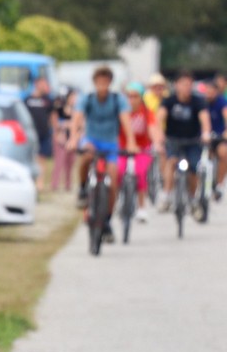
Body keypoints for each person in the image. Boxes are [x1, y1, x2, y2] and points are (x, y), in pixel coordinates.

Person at [68, 66, 137, 242]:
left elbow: (125, 120)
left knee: (113, 183)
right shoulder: (87, 98)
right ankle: (83, 188)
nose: (102, 84)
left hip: (110, 143)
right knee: (86, 156)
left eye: (105, 81)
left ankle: (106, 220)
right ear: (94, 82)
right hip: (91, 139)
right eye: (99, 81)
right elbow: (77, 118)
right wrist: (74, 138)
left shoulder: (117, 100)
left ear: (110, 82)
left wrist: (130, 141)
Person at [157, 70, 212, 211]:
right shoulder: (169, 100)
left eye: (189, 84)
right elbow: (159, 118)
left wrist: (206, 133)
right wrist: (159, 135)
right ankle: (167, 195)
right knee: (171, 162)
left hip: (193, 141)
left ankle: (193, 198)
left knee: (194, 168)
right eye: (183, 84)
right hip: (173, 139)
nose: (186, 87)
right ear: (176, 85)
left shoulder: (197, 101)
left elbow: (204, 118)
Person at [118, 82, 162, 222]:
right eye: (128, 96)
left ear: (141, 98)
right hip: (122, 149)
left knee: (140, 172)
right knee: (118, 170)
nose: (131, 100)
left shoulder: (146, 112)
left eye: (135, 96)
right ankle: (120, 198)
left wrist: (156, 143)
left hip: (142, 149)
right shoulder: (120, 112)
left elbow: (152, 128)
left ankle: (141, 207)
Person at [24, 76, 54, 191]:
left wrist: (55, 132)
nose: (44, 86)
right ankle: (31, 181)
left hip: (44, 133)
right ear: (36, 84)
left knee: (42, 158)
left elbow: (53, 116)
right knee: (32, 157)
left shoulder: (47, 100)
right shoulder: (27, 100)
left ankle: (40, 183)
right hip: (31, 134)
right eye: (42, 83)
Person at [52, 87, 79, 193]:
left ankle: (68, 184)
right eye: (72, 97)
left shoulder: (77, 110)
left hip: (72, 138)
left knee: (70, 162)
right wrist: (64, 127)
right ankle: (55, 184)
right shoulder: (59, 108)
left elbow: (79, 124)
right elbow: (54, 122)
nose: (74, 99)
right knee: (59, 161)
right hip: (60, 138)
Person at [208, 72, 227, 200]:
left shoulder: (222, 101)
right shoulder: (201, 102)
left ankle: (219, 184)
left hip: (219, 136)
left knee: (224, 153)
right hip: (205, 138)